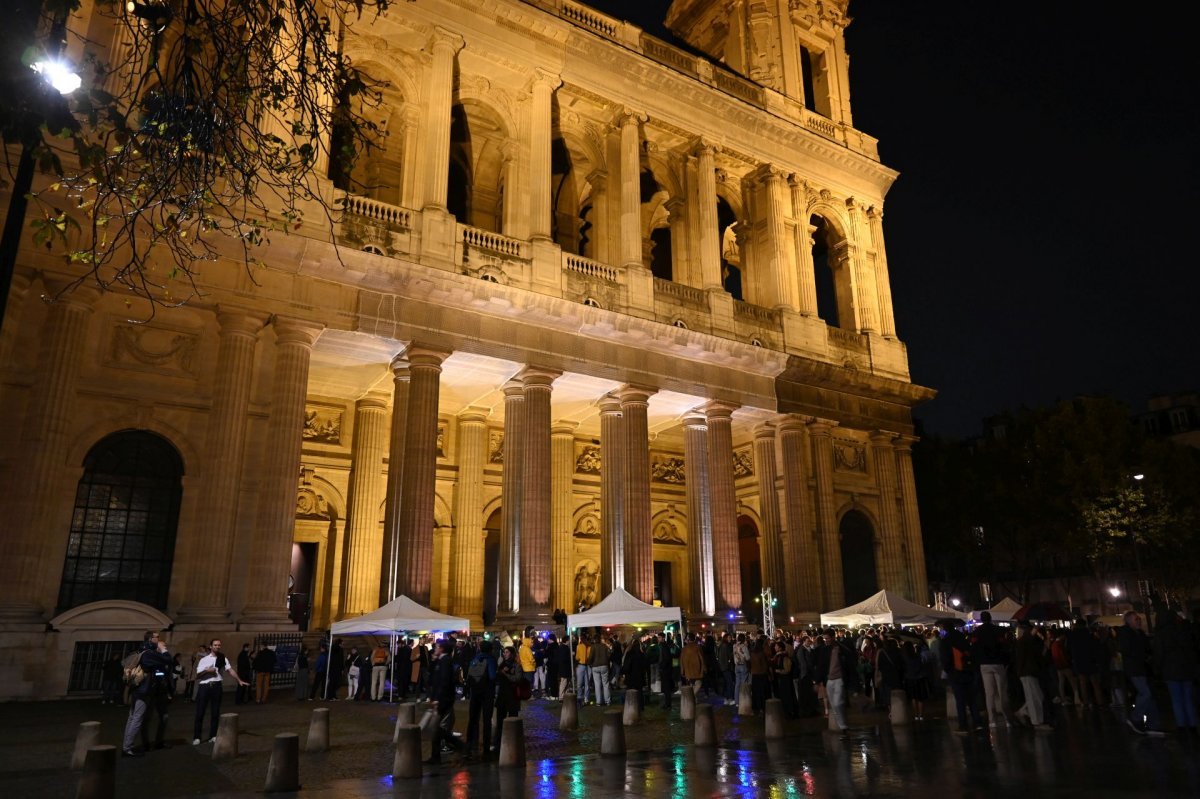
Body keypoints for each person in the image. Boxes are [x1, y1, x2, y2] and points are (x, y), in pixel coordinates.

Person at [121, 631, 173, 757]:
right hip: (143, 690)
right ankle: (127, 748)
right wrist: (163, 650)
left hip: (140, 689)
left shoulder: (143, 651)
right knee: (136, 718)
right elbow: (168, 660)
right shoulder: (148, 653)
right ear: (150, 639)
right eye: (157, 637)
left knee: (133, 717)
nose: (159, 639)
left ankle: (127, 746)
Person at [193, 639, 249, 745]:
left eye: (219, 645)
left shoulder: (222, 658)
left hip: (217, 686)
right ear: (210, 646)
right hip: (204, 686)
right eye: (215, 645)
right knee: (200, 712)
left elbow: (230, 670)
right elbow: (198, 676)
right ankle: (197, 737)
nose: (217, 647)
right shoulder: (204, 660)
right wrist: (207, 671)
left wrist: (239, 680)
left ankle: (213, 735)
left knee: (215, 712)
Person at [1153, 608, 1198, 735]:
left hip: (1171, 670)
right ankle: (1193, 725)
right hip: (1186, 669)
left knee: (1176, 699)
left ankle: (1182, 726)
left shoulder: (1161, 634)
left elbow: (1159, 654)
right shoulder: (1183, 631)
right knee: (1188, 698)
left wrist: (1158, 668)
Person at [971, 611, 1012, 727]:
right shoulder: (998, 630)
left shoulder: (977, 632)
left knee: (989, 693)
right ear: (990, 618)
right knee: (1002, 692)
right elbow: (1004, 646)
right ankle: (1007, 718)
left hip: (984, 664)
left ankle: (992, 720)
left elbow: (974, 648)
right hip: (998, 662)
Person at [1012, 621, 1052, 731]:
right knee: (1035, 698)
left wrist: (1045, 647)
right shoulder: (1024, 641)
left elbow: (1039, 657)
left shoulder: (1026, 642)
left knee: (1036, 696)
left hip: (1029, 672)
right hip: (1027, 672)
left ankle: (1024, 712)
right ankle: (1036, 722)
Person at [426, 639, 460, 764]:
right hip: (440, 698)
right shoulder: (440, 660)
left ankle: (459, 745)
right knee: (436, 728)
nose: (435, 648)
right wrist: (434, 661)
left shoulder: (446, 661)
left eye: (437, 647)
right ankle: (436, 756)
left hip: (444, 699)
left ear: (442, 649)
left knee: (437, 728)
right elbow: (432, 677)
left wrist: (438, 699)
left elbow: (444, 682)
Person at [465, 640, 497, 759]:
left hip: (475, 692)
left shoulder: (475, 658)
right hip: (487, 692)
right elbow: (493, 676)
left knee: (473, 719)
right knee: (486, 720)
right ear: (490, 649)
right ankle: (486, 747)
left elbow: (469, 675)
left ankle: (471, 744)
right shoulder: (491, 659)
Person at [492, 646, 522, 752]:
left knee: (513, 718)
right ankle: (498, 742)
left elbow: (517, 679)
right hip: (502, 695)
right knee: (500, 720)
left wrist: (506, 674)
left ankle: (513, 740)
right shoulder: (502, 664)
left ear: (512, 654)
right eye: (504, 652)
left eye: (507, 652)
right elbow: (496, 677)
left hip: (512, 695)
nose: (505, 654)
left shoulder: (516, 665)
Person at [622, 636, 648, 712]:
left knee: (631, 692)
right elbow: (645, 665)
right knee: (639, 693)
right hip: (639, 677)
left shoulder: (629, 654)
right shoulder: (641, 654)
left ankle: (632, 707)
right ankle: (640, 707)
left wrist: (623, 673)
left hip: (631, 677)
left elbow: (626, 666)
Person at [588, 634, 612, 706]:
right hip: (604, 665)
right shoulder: (604, 646)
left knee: (597, 684)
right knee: (605, 684)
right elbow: (608, 656)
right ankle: (607, 701)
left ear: (595, 640)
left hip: (595, 666)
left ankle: (599, 702)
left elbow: (591, 657)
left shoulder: (593, 646)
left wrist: (590, 664)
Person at [574, 635, 592, 704]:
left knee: (579, 683)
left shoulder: (579, 646)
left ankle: (579, 697)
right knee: (587, 683)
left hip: (581, 665)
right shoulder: (590, 647)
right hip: (588, 666)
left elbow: (577, 657)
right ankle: (586, 699)